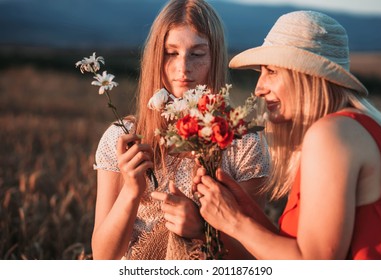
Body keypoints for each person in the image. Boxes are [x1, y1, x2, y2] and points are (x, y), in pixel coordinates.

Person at [193, 10, 381, 259]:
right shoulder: (358, 128)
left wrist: (233, 222)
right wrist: (242, 208)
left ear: (307, 75)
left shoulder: (331, 134)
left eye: (271, 71)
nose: (259, 88)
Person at [91, 0, 270, 260]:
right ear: (155, 56)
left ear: (216, 58)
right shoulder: (123, 137)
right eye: (171, 52)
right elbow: (103, 257)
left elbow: (255, 257)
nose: (183, 67)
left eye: (197, 54)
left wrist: (202, 230)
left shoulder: (243, 144)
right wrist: (131, 190)